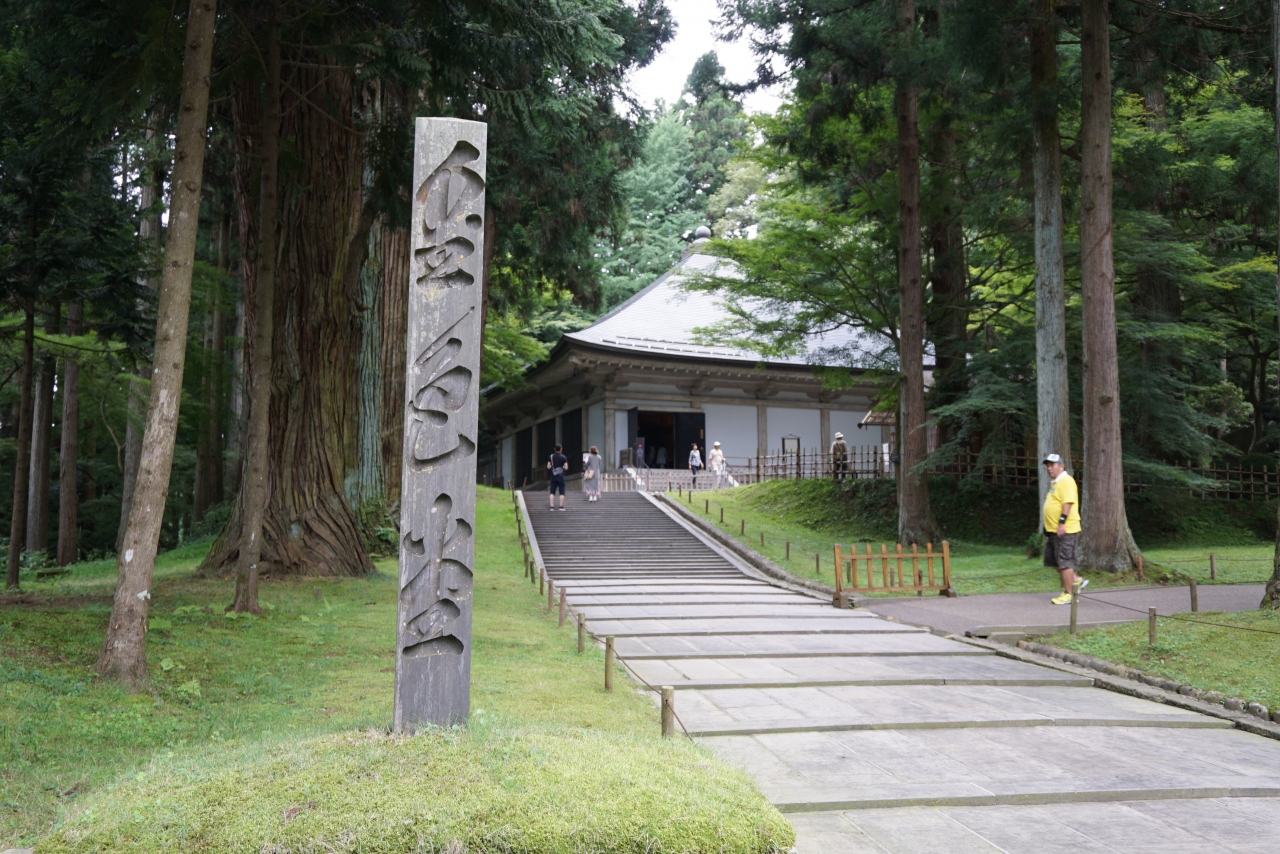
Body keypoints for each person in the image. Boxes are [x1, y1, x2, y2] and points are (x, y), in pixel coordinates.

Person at [1043, 452, 1086, 604]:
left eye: (1052, 465)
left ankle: (1070, 594)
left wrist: (1062, 523)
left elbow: (1067, 503)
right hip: (1053, 530)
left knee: (1065, 562)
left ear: (1061, 466)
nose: (1049, 468)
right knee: (1053, 561)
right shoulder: (1055, 483)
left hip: (1065, 530)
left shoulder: (1066, 481)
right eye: (1047, 466)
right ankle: (1076, 580)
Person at [547, 443, 568, 511]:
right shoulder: (563, 457)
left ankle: (551, 507)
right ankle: (561, 507)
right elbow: (566, 468)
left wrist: (552, 466)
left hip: (553, 476)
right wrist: (563, 467)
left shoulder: (551, 456)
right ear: (561, 449)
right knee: (562, 491)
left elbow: (548, 467)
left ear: (554, 449)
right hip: (561, 476)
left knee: (552, 491)